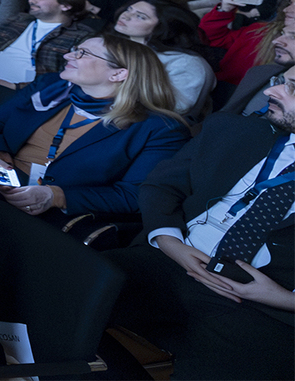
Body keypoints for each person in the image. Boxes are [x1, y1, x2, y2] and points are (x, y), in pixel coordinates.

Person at [100, 74, 295, 381]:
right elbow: (161, 186)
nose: (271, 90)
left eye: (292, 88)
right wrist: (168, 241)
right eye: (281, 80)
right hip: (174, 258)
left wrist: (285, 299)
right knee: (58, 288)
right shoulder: (231, 129)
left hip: (263, 305)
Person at [0, 34, 190, 219]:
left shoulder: (160, 128)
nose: (69, 55)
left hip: (51, 204)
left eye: (82, 53)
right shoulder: (52, 87)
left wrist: (56, 196)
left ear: (118, 73)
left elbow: (133, 195)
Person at [0, 0, 102, 109]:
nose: (31, 0)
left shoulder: (82, 36)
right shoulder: (18, 19)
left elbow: (67, 78)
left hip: (22, 95)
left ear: (65, 6)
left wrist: (17, 87)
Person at [111, 0, 216, 119]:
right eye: (129, 9)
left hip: (146, 122)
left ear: (162, 27)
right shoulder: (119, 46)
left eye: (140, 16)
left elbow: (175, 108)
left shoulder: (186, 63)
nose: (126, 16)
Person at [202, 0, 293, 88]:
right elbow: (209, 38)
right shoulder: (258, 30)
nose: (287, 9)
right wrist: (224, 10)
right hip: (224, 88)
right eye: (290, 3)